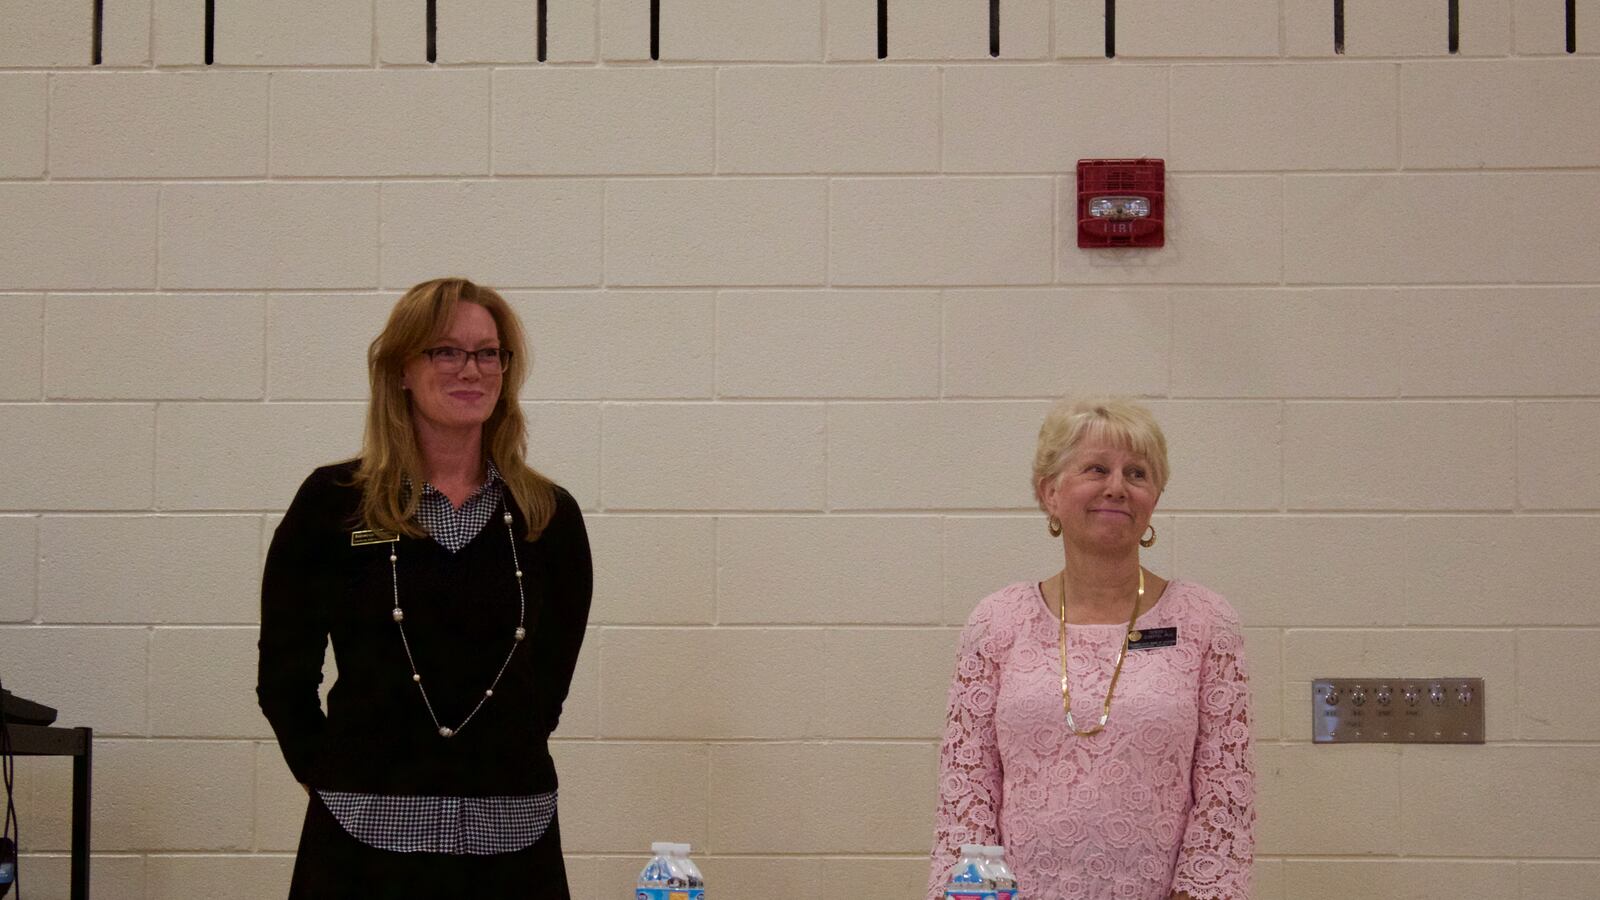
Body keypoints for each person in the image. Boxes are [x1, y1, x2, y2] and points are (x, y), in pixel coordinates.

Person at [257, 278, 592, 898]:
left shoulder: (549, 516)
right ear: (401, 370)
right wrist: (334, 779)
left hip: (512, 838)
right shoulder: (333, 506)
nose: (472, 369)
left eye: (488, 353)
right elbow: (284, 676)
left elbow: (547, 682)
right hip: (362, 841)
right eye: (446, 351)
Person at [927, 397, 1253, 900]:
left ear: (1155, 498)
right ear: (1050, 493)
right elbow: (968, 793)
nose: (1117, 487)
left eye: (1138, 473)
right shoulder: (997, 622)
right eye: (1097, 468)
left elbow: (1223, 799)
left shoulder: (1205, 621)